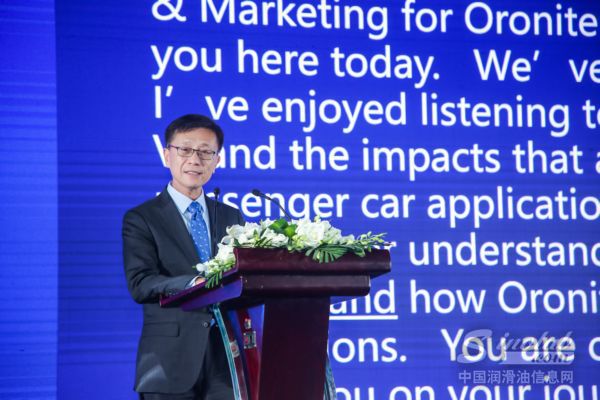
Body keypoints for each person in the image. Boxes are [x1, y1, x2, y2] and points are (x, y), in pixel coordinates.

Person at [122, 114, 244, 399]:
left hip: (226, 360)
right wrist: (193, 283)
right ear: (167, 156)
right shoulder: (142, 218)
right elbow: (140, 283)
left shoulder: (230, 216)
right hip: (168, 360)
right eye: (185, 149)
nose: (195, 159)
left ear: (217, 160)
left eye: (205, 152)